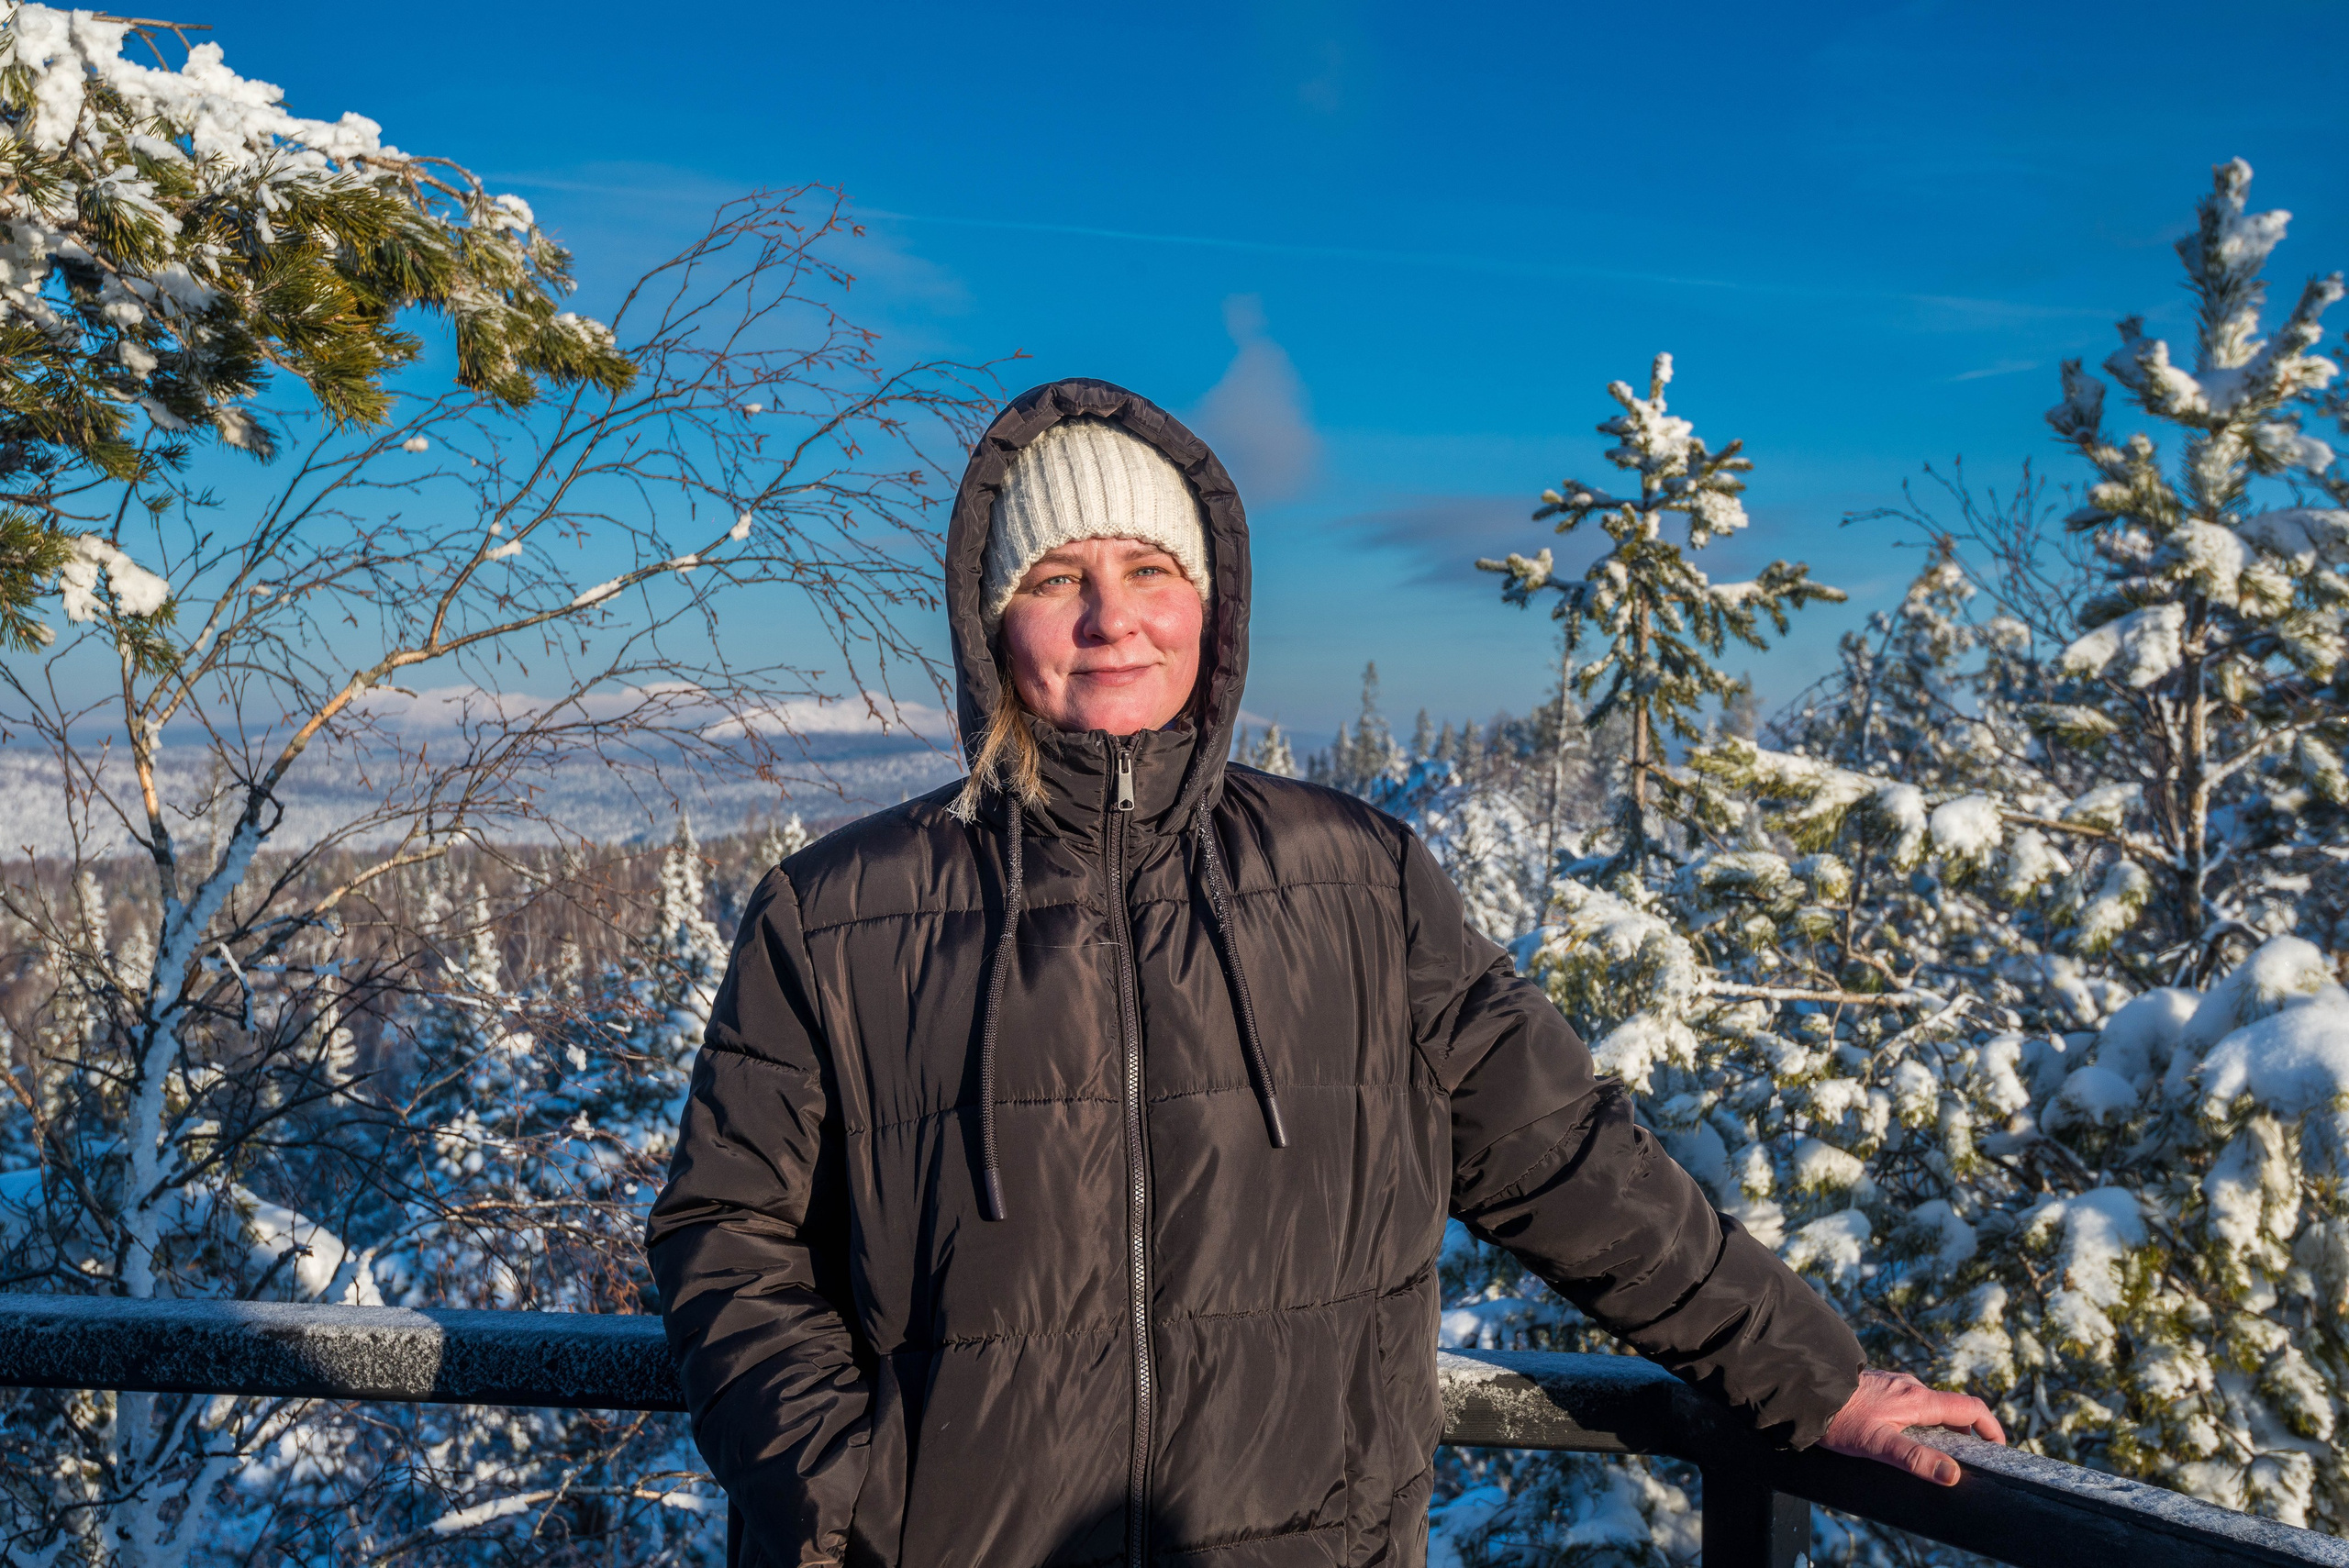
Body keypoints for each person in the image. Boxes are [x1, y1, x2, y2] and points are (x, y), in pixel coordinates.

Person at [647, 379, 2002, 1568]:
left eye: (1150, 571)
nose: (1112, 617)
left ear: (1211, 604)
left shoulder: (1358, 881)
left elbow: (1564, 1158)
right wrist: (847, 1496)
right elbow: (725, 1235)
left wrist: (1812, 1379)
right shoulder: (838, 913)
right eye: (1057, 578)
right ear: (991, 620)